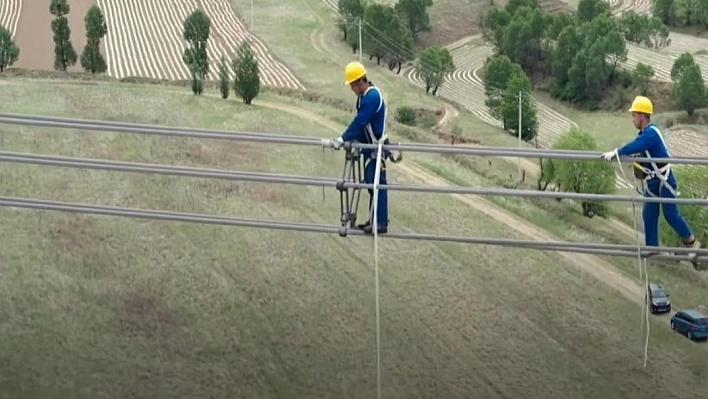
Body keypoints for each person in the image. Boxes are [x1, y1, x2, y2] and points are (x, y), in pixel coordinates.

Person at [601, 95, 700, 256]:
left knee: (670, 214)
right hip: (653, 182)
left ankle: (691, 242)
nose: (632, 119)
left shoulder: (651, 134)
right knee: (649, 214)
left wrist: (617, 152)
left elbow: (637, 146)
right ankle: (652, 250)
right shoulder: (645, 134)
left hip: (664, 180)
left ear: (642, 115)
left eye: (634, 115)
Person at [322, 61, 390, 235]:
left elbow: (360, 122)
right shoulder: (363, 97)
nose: (351, 89)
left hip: (376, 147)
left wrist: (342, 139)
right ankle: (374, 219)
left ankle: (380, 223)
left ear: (360, 82)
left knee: (377, 185)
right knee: (370, 184)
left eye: (352, 85)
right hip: (368, 147)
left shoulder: (372, 97)